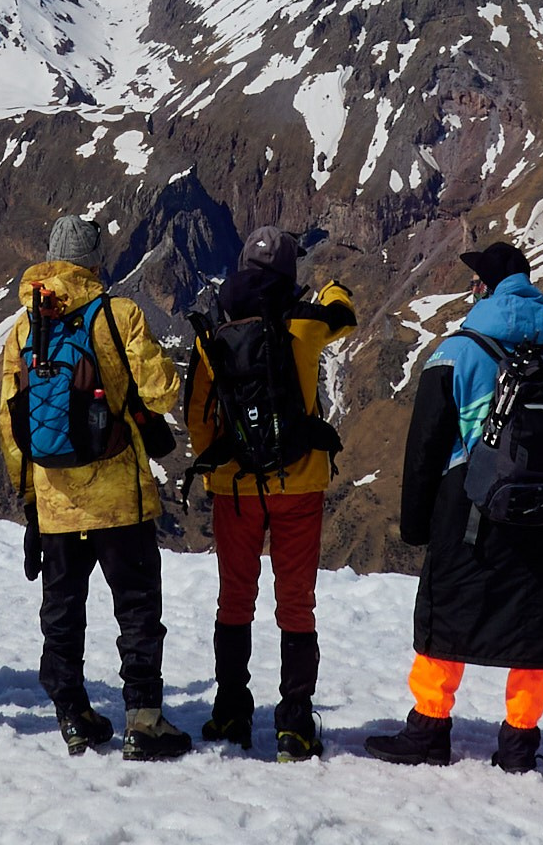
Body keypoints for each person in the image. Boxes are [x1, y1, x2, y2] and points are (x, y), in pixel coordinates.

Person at [365, 243, 543, 773]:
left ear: (485, 289)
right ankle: (518, 743)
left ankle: (429, 729)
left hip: (468, 512)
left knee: (447, 613)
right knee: (532, 629)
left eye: (475, 283)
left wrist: (416, 522)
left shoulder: (456, 352)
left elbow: (425, 445)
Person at [0, 215, 190, 760]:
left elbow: (11, 425)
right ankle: (144, 720)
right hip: (119, 500)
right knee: (135, 608)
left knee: (62, 608)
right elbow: (162, 393)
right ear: (95, 261)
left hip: (55, 502)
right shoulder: (118, 314)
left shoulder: (24, 327)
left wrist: (30, 499)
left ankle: (73, 714)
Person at [185, 225, 356, 760]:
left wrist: (224, 462)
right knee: (296, 604)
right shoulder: (305, 321)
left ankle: (232, 711)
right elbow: (343, 316)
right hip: (299, 483)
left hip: (234, 488)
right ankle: (295, 724)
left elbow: (197, 413)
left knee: (235, 599)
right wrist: (332, 287)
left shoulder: (213, 326)